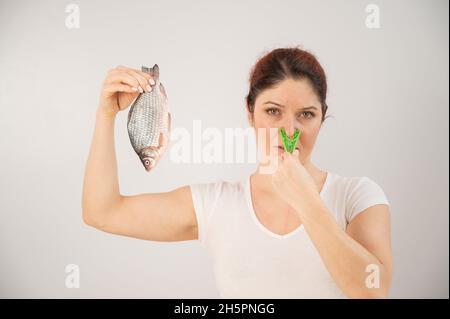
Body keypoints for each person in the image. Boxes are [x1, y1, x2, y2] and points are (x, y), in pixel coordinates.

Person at [82, 46, 392, 298]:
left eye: (306, 115)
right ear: (250, 113)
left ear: (322, 119)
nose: (289, 131)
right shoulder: (218, 204)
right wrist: (105, 114)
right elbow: (102, 212)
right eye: (273, 111)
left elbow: (374, 292)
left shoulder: (357, 196)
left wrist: (307, 201)